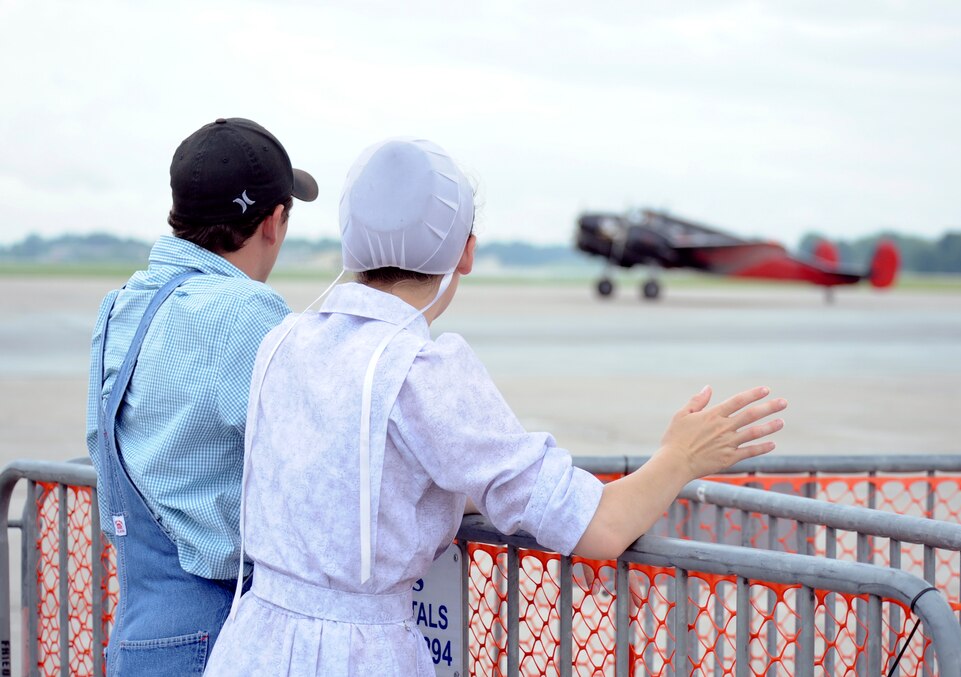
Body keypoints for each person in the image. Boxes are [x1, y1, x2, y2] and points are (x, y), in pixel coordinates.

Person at [203, 138, 786, 676]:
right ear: (467, 253)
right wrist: (680, 457)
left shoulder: (283, 342)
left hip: (250, 641)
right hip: (357, 656)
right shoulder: (420, 371)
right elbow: (599, 527)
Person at [85, 117, 318, 675]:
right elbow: (318, 459)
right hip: (216, 635)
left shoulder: (120, 305)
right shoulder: (245, 314)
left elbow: (101, 446)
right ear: (274, 221)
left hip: (138, 631)